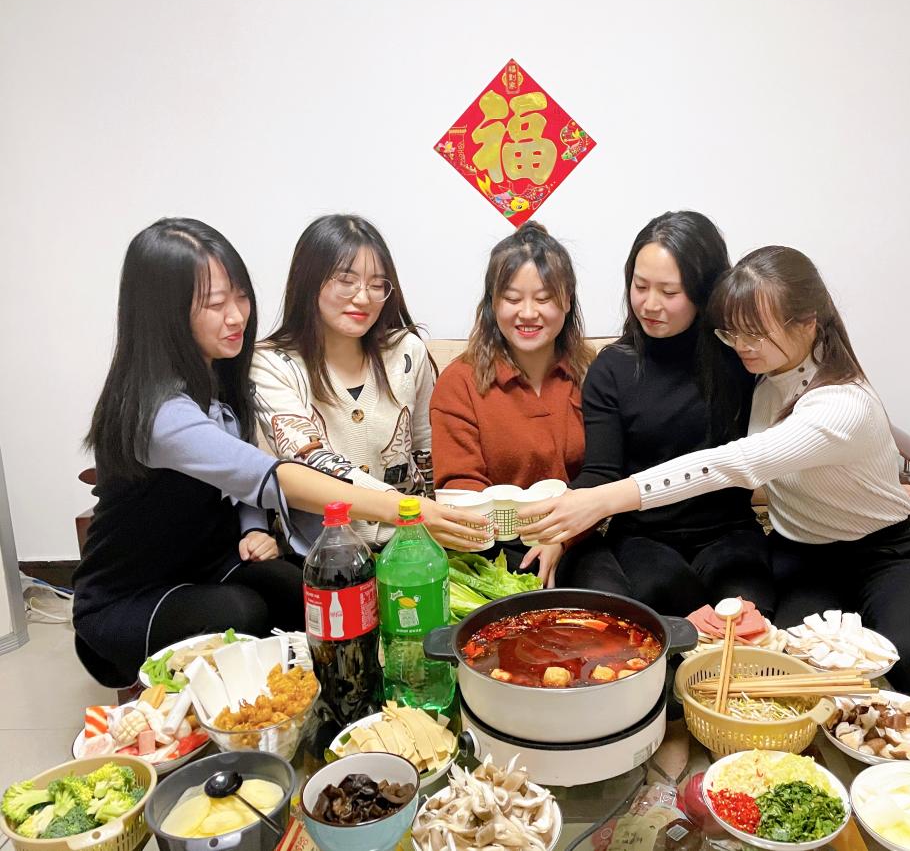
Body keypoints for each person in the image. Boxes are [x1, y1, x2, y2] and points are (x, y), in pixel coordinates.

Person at [520, 245, 910, 770]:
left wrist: (600, 500)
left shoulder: (841, 402)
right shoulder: (762, 369)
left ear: (808, 321)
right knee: (783, 666)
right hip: (801, 552)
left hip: (884, 551)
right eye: (733, 331)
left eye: (755, 333)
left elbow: (730, 463)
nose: (741, 346)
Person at [74, 218, 488, 688]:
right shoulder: (160, 412)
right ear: (162, 313)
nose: (236, 316)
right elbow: (271, 474)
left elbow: (238, 475)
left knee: (308, 598)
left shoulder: (223, 374)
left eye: (241, 297)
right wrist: (406, 510)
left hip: (214, 567)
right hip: (132, 596)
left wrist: (252, 525)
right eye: (214, 304)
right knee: (243, 613)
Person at [555, 212, 772, 617]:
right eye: (640, 287)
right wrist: (559, 527)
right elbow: (601, 471)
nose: (650, 304)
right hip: (644, 537)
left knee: (747, 611)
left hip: (728, 533)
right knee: (662, 597)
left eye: (669, 292)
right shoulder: (613, 367)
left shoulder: (742, 358)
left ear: (705, 291)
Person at [252, 214, 436, 549]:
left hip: (412, 544)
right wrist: (406, 508)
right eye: (346, 280)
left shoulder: (407, 352)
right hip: (324, 554)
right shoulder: (271, 363)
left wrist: (439, 527)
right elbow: (311, 462)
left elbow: (426, 450)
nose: (363, 298)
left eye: (376, 285)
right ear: (309, 281)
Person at [430, 222, 594, 580]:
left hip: (579, 537)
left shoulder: (591, 372)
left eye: (544, 298)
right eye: (513, 298)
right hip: (492, 547)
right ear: (493, 302)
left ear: (567, 300)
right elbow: (460, 489)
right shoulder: (460, 382)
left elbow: (602, 474)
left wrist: (561, 537)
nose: (528, 313)